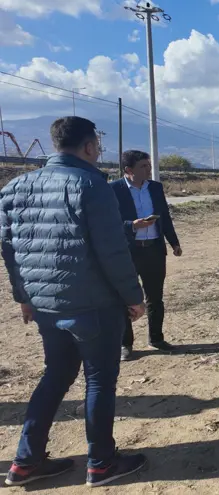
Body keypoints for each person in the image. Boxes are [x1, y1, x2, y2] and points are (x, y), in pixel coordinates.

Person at [1, 117, 147, 487]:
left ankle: (24, 461)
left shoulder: (15, 187)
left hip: (47, 306)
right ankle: (101, 463)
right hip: (93, 306)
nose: (98, 150)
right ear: (88, 147)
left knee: (56, 375)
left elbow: (9, 250)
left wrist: (24, 296)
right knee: (99, 380)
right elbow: (112, 251)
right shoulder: (92, 185)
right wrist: (134, 297)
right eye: (97, 143)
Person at [110, 150, 181, 361]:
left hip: (154, 250)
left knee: (155, 297)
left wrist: (174, 242)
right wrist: (132, 225)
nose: (149, 170)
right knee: (125, 298)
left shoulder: (156, 188)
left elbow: (165, 217)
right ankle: (125, 344)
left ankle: (156, 338)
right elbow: (109, 222)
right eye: (143, 166)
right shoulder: (114, 190)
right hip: (128, 252)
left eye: (148, 166)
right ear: (128, 170)